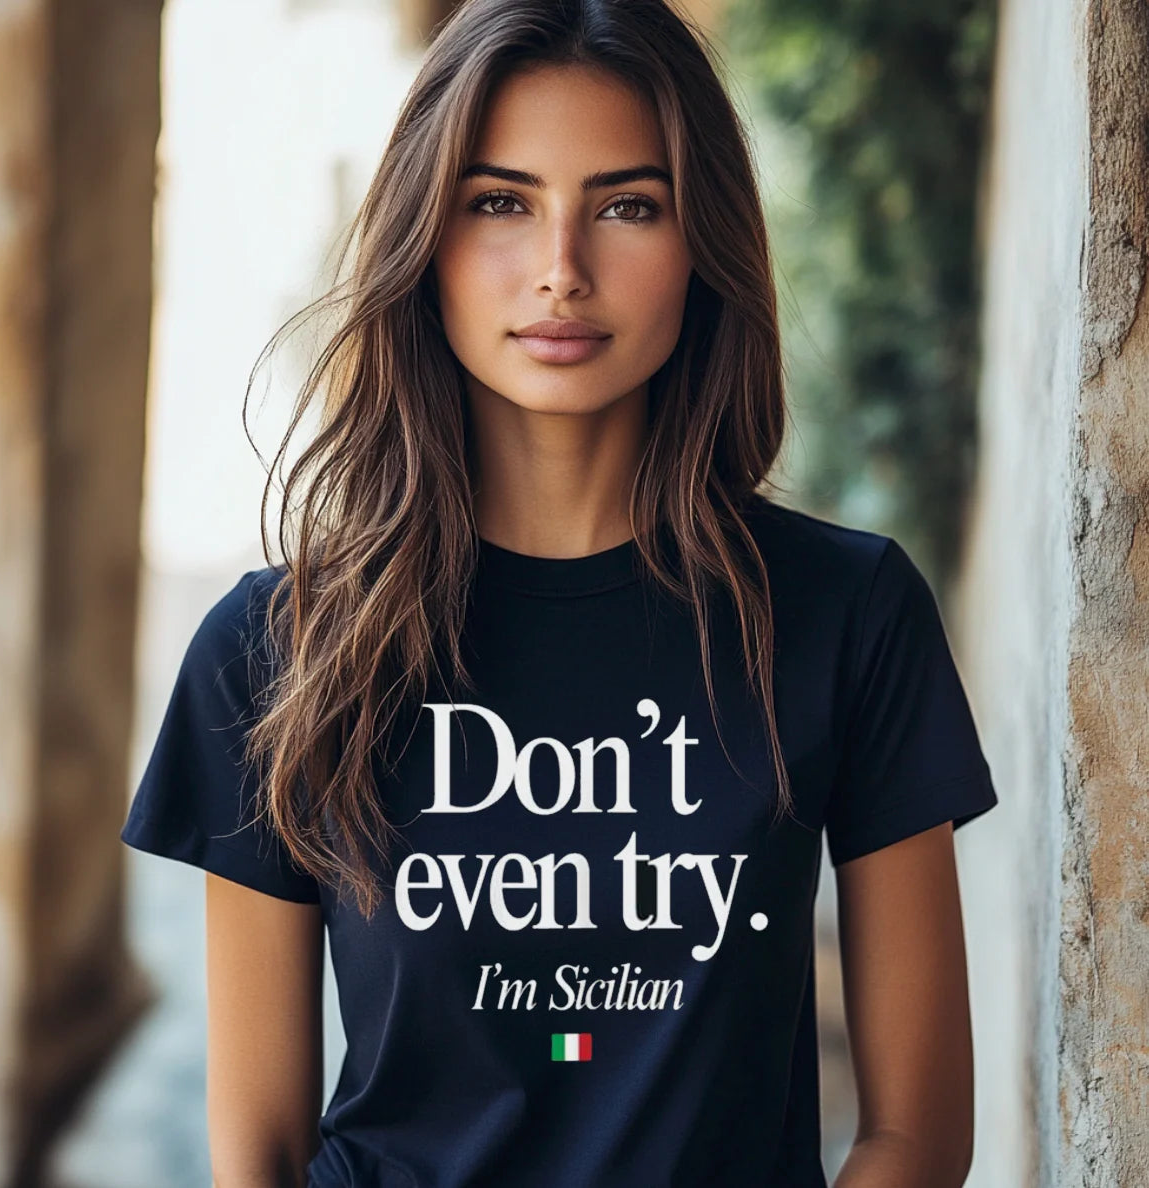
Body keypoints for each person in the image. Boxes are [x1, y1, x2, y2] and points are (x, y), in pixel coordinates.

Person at [120, 1, 999, 1184]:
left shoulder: (846, 616)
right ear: (422, 241)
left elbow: (915, 1132)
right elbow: (261, 1153)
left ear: (704, 243)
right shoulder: (275, 650)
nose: (560, 271)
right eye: (500, 202)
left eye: (626, 205)